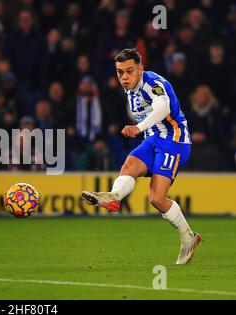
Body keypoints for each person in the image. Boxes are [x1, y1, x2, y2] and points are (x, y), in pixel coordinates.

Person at [81, 48, 201, 265]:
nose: (124, 77)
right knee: (128, 165)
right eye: (119, 72)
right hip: (153, 139)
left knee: (156, 198)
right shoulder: (130, 88)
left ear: (141, 69)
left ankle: (189, 238)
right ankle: (114, 197)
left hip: (174, 142)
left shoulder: (152, 84)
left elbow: (163, 108)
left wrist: (139, 127)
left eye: (129, 71)